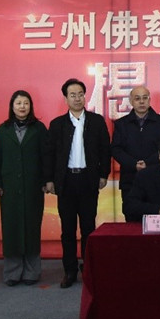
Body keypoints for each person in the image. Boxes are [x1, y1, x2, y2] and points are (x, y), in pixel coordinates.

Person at [46, 78, 111, 289]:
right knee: (67, 229)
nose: (77, 98)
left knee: (88, 227)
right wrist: (50, 180)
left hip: (87, 179)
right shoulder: (57, 125)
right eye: (72, 95)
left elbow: (105, 150)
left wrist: (103, 174)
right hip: (65, 181)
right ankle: (69, 270)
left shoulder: (96, 121)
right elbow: (50, 155)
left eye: (81, 94)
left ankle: (89, 269)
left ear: (85, 96)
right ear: (65, 98)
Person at [0, 90, 48, 286]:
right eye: (18, 103)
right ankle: (12, 272)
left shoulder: (39, 129)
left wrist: (46, 180)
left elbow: (46, 157)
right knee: (11, 228)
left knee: (32, 227)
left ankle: (32, 271)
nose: (22, 107)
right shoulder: (3, 130)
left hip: (33, 186)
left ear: (31, 106)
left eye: (26, 103)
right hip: (9, 188)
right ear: (12, 106)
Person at [110, 86, 160, 208]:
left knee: (157, 214)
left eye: (145, 98)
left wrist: (147, 163)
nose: (142, 102)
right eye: (137, 98)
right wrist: (134, 164)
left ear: (149, 100)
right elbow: (116, 149)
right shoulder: (121, 124)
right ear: (131, 101)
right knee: (131, 214)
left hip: (157, 176)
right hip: (130, 178)